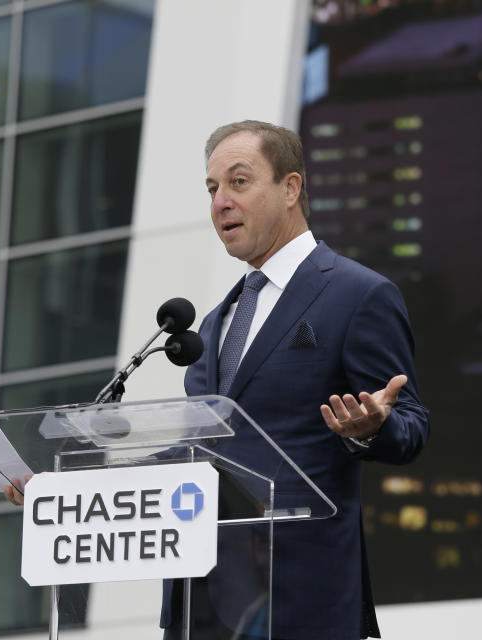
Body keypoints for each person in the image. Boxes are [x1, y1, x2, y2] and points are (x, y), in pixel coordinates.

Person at [159, 120, 430, 639]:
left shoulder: (358, 294)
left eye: (239, 182)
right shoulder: (214, 324)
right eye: (212, 189)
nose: (220, 202)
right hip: (205, 611)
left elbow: (412, 425)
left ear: (290, 188)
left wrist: (371, 427)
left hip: (301, 605)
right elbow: (195, 452)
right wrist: (62, 488)